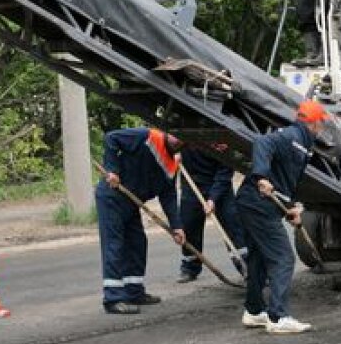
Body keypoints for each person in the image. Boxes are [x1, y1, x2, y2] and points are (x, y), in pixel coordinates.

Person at [235, 99, 330, 334]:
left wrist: (291, 208)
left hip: (254, 203)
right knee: (283, 258)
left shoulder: (304, 145)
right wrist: (261, 176)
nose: (323, 129)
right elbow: (262, 143)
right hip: (258, 203)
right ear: (314, 124)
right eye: (322, 124)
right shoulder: (290, 136)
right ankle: (278, 317)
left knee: (258, 258)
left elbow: (287, 180)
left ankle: (254, 311)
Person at [97, 127, 185, 314]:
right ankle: (113, 298)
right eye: (175, 134)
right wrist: (113, 170)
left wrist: (177, 227)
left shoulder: (172, 165)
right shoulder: (148, 136)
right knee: (115, 245)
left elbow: (168, 195)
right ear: (167, 131)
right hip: (113, 196)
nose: (178, 140)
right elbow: (111, 138)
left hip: (131, 201)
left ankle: (133, 291)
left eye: (182, 139)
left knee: (137, 243)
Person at [176, 146, 247, 283]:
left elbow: (225, 173)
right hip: (192, 185)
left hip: (220, 185)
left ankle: (246, 266)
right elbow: (169, 142)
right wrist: (174, 154)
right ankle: (190, 267)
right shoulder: (185, 134)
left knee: (232, 225)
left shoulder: (221, 140)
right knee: (189, 225)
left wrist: (213, 198)